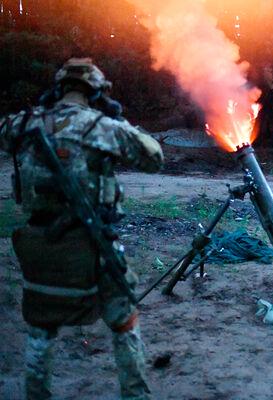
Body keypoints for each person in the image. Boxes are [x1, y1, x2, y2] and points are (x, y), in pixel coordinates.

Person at [0, 58, 163, 399]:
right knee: (124, 323)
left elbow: (5, 132)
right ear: (97, 92)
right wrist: (119, 120)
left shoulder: (26, 123)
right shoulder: (103, 127)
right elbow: (153, 156)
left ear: (58, 88)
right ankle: (135, 394)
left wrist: (41, 112)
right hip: (93, 248)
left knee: (41, 329)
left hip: (40, 246)